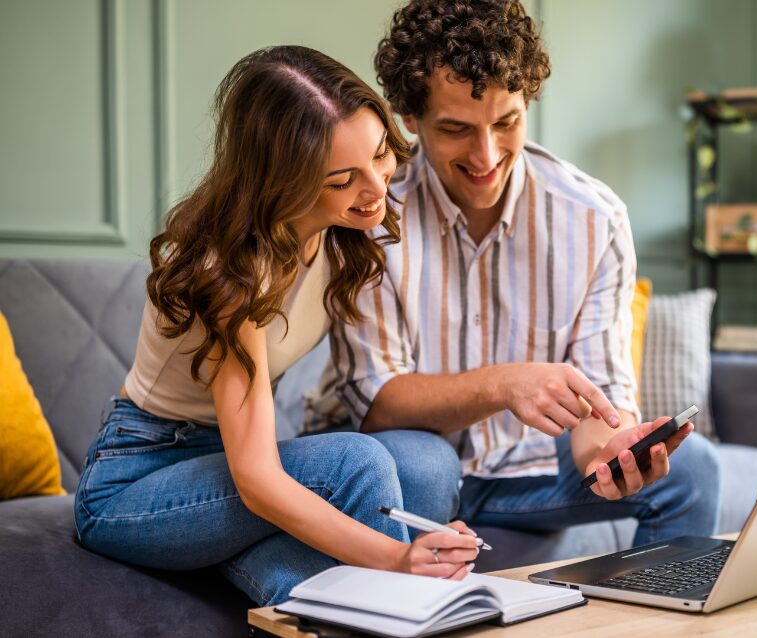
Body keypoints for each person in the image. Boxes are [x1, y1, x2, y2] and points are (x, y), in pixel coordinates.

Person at [73, 45, 479, 608]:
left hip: (232, 468)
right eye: (342, 179)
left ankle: (256, 563)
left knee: (426, 463)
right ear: (281, 180)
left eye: (381, 154)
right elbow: (259, 478)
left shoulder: (343, 229)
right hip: (138, 481)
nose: (377, 189)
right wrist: (399, 558)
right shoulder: (228, 270)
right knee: (355, 464)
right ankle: (405, 611)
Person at [307, 0, 721, 547]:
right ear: (410, 118)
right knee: (423, 465)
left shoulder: (594, 220)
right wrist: (506, 384)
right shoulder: (373, 212)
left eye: (507, 122)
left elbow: (600, 403)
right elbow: (376, 401)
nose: (486, 155)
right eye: (455, 128)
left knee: (696, 472)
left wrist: (613, 452)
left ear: (528, 101)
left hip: (526, 469)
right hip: (409, 464)